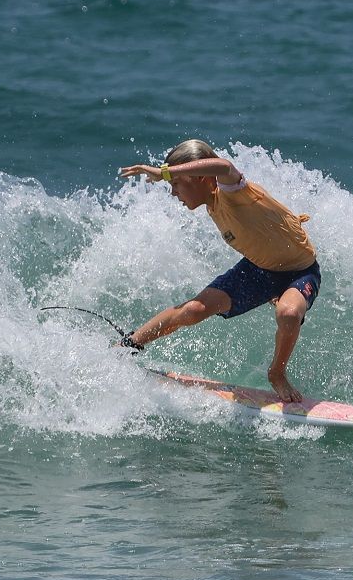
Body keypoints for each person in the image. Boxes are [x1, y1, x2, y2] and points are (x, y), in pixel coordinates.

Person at [118, 140, 321, 403]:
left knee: (289, 313)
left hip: (299, 272)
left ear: (200, 177)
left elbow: (223, 166)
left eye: (176, 183)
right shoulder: (213, 205)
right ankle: (128, 345)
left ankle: (277, 373)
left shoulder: (233, 192)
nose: (173, 192)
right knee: (193, 310)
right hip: (259, 271)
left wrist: (164, 172)